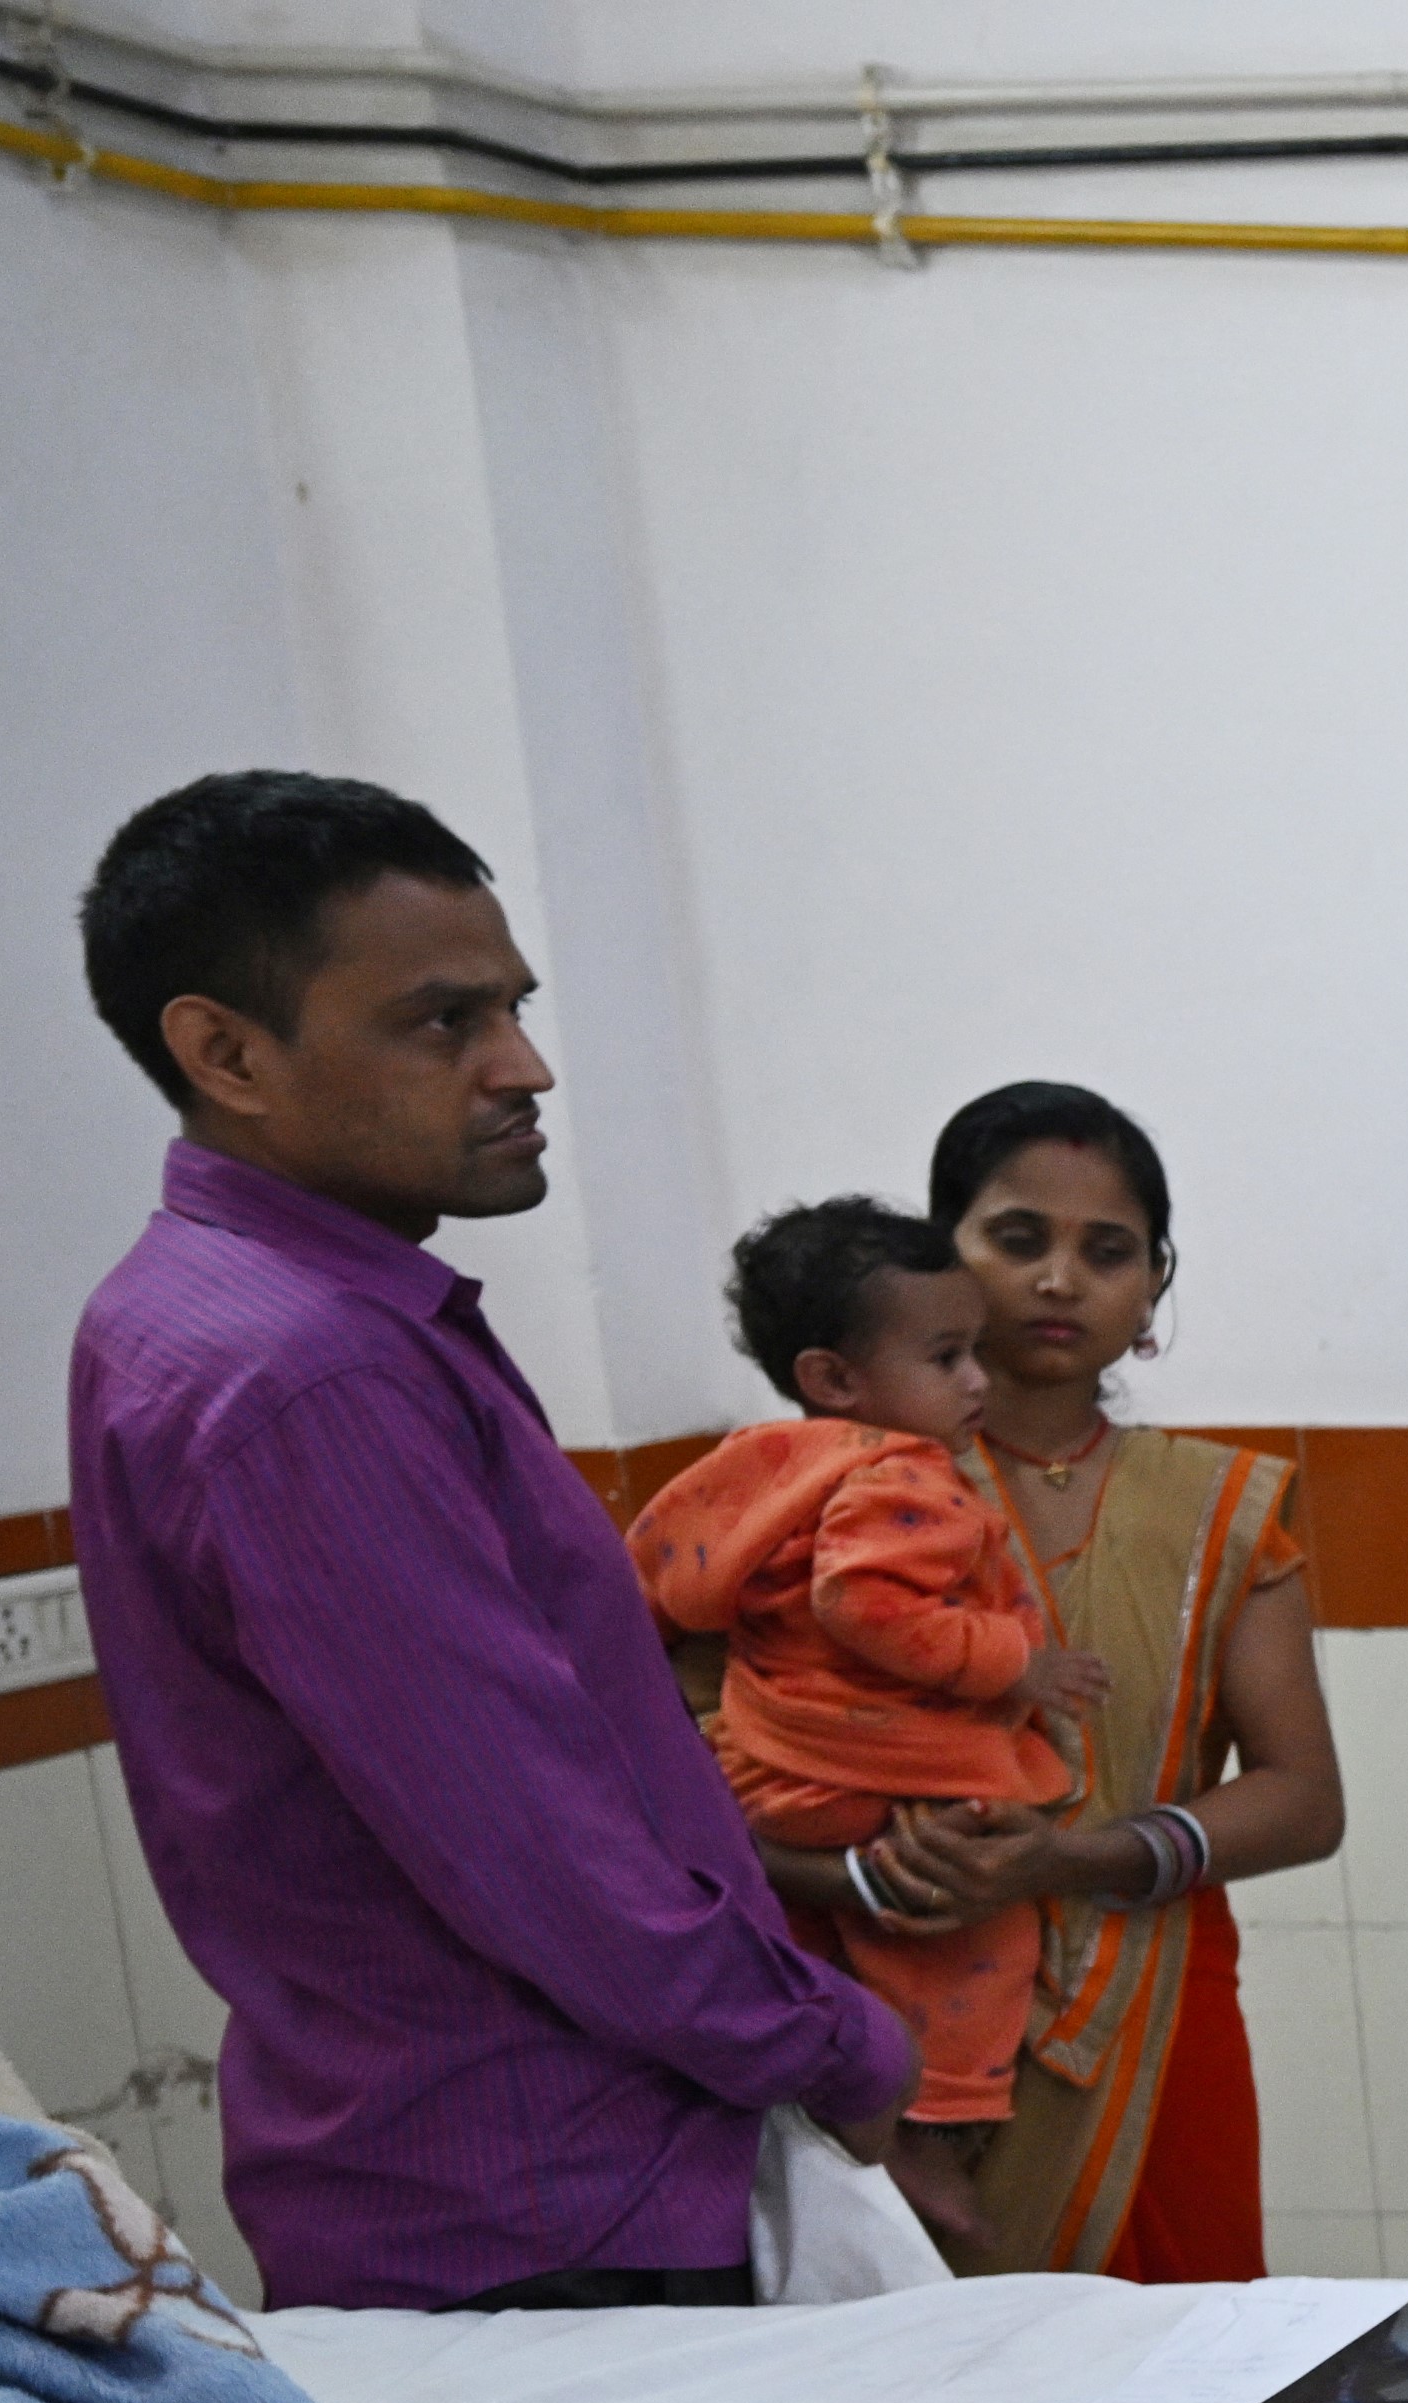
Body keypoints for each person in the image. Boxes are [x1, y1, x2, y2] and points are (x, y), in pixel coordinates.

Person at [58, 771, 908, 2313]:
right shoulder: (306, 1368)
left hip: (469, 2176)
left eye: (514, 1007)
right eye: (444, 1024)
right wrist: (834, 2049)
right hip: (549, 2205)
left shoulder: (214, 1310)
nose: (526, 1068)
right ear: (224, 1052)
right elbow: (537, 1842)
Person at [760, 1085, 1342, 2279]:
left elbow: (1302, 1800)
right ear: (945, 1260)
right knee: (932, 2394)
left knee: (1190, 2371)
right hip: (880, 1997)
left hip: (1155, 2004)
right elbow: (702, 1766)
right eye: (1019, 1239)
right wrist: (867, 1875)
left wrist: (1070, 1859)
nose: (1061, 1279)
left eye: (1108, 1251)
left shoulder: (1222, 1511)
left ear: (1152, 1294)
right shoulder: (811, 1488)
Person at [632, 1199, 1108, 2254]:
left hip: (764, 1775)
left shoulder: (760, 1466)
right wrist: (1014, 1659)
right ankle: (925, 2126)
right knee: (976, 1938)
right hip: (879, 1780)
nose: (979, 1382)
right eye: (948, 1357)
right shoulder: (906, 1475)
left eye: (975, 1352)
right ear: (834, 1378)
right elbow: (866, 1606)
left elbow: (660, 1583)